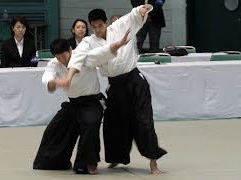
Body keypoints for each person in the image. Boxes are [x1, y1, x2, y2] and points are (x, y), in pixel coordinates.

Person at [67, 5, 167, 175]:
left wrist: (142, 10)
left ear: (106, 23)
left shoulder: (119, 26)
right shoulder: (88, 41)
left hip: (135, 81)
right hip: (115, 84)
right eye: (94, 26)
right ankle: (116, 157)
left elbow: (133, 16)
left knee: (144, 121)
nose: (98, 29)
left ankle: (153, 161)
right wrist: (69, 77)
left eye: (100, 25)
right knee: (113, 123)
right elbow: (78, 57)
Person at [33, 35, 129, 174]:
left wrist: (118, 44)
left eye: (64, 56)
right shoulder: (54, 64)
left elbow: (102, 53)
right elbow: (48, 82)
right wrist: (56, 82)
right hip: (73, 104)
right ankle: (54, 162)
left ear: (71, 50)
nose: (62, 60)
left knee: (90, 124)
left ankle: (88, 162)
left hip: (91, 102)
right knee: (54, 128)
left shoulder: (84, 57)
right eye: (58, 57)